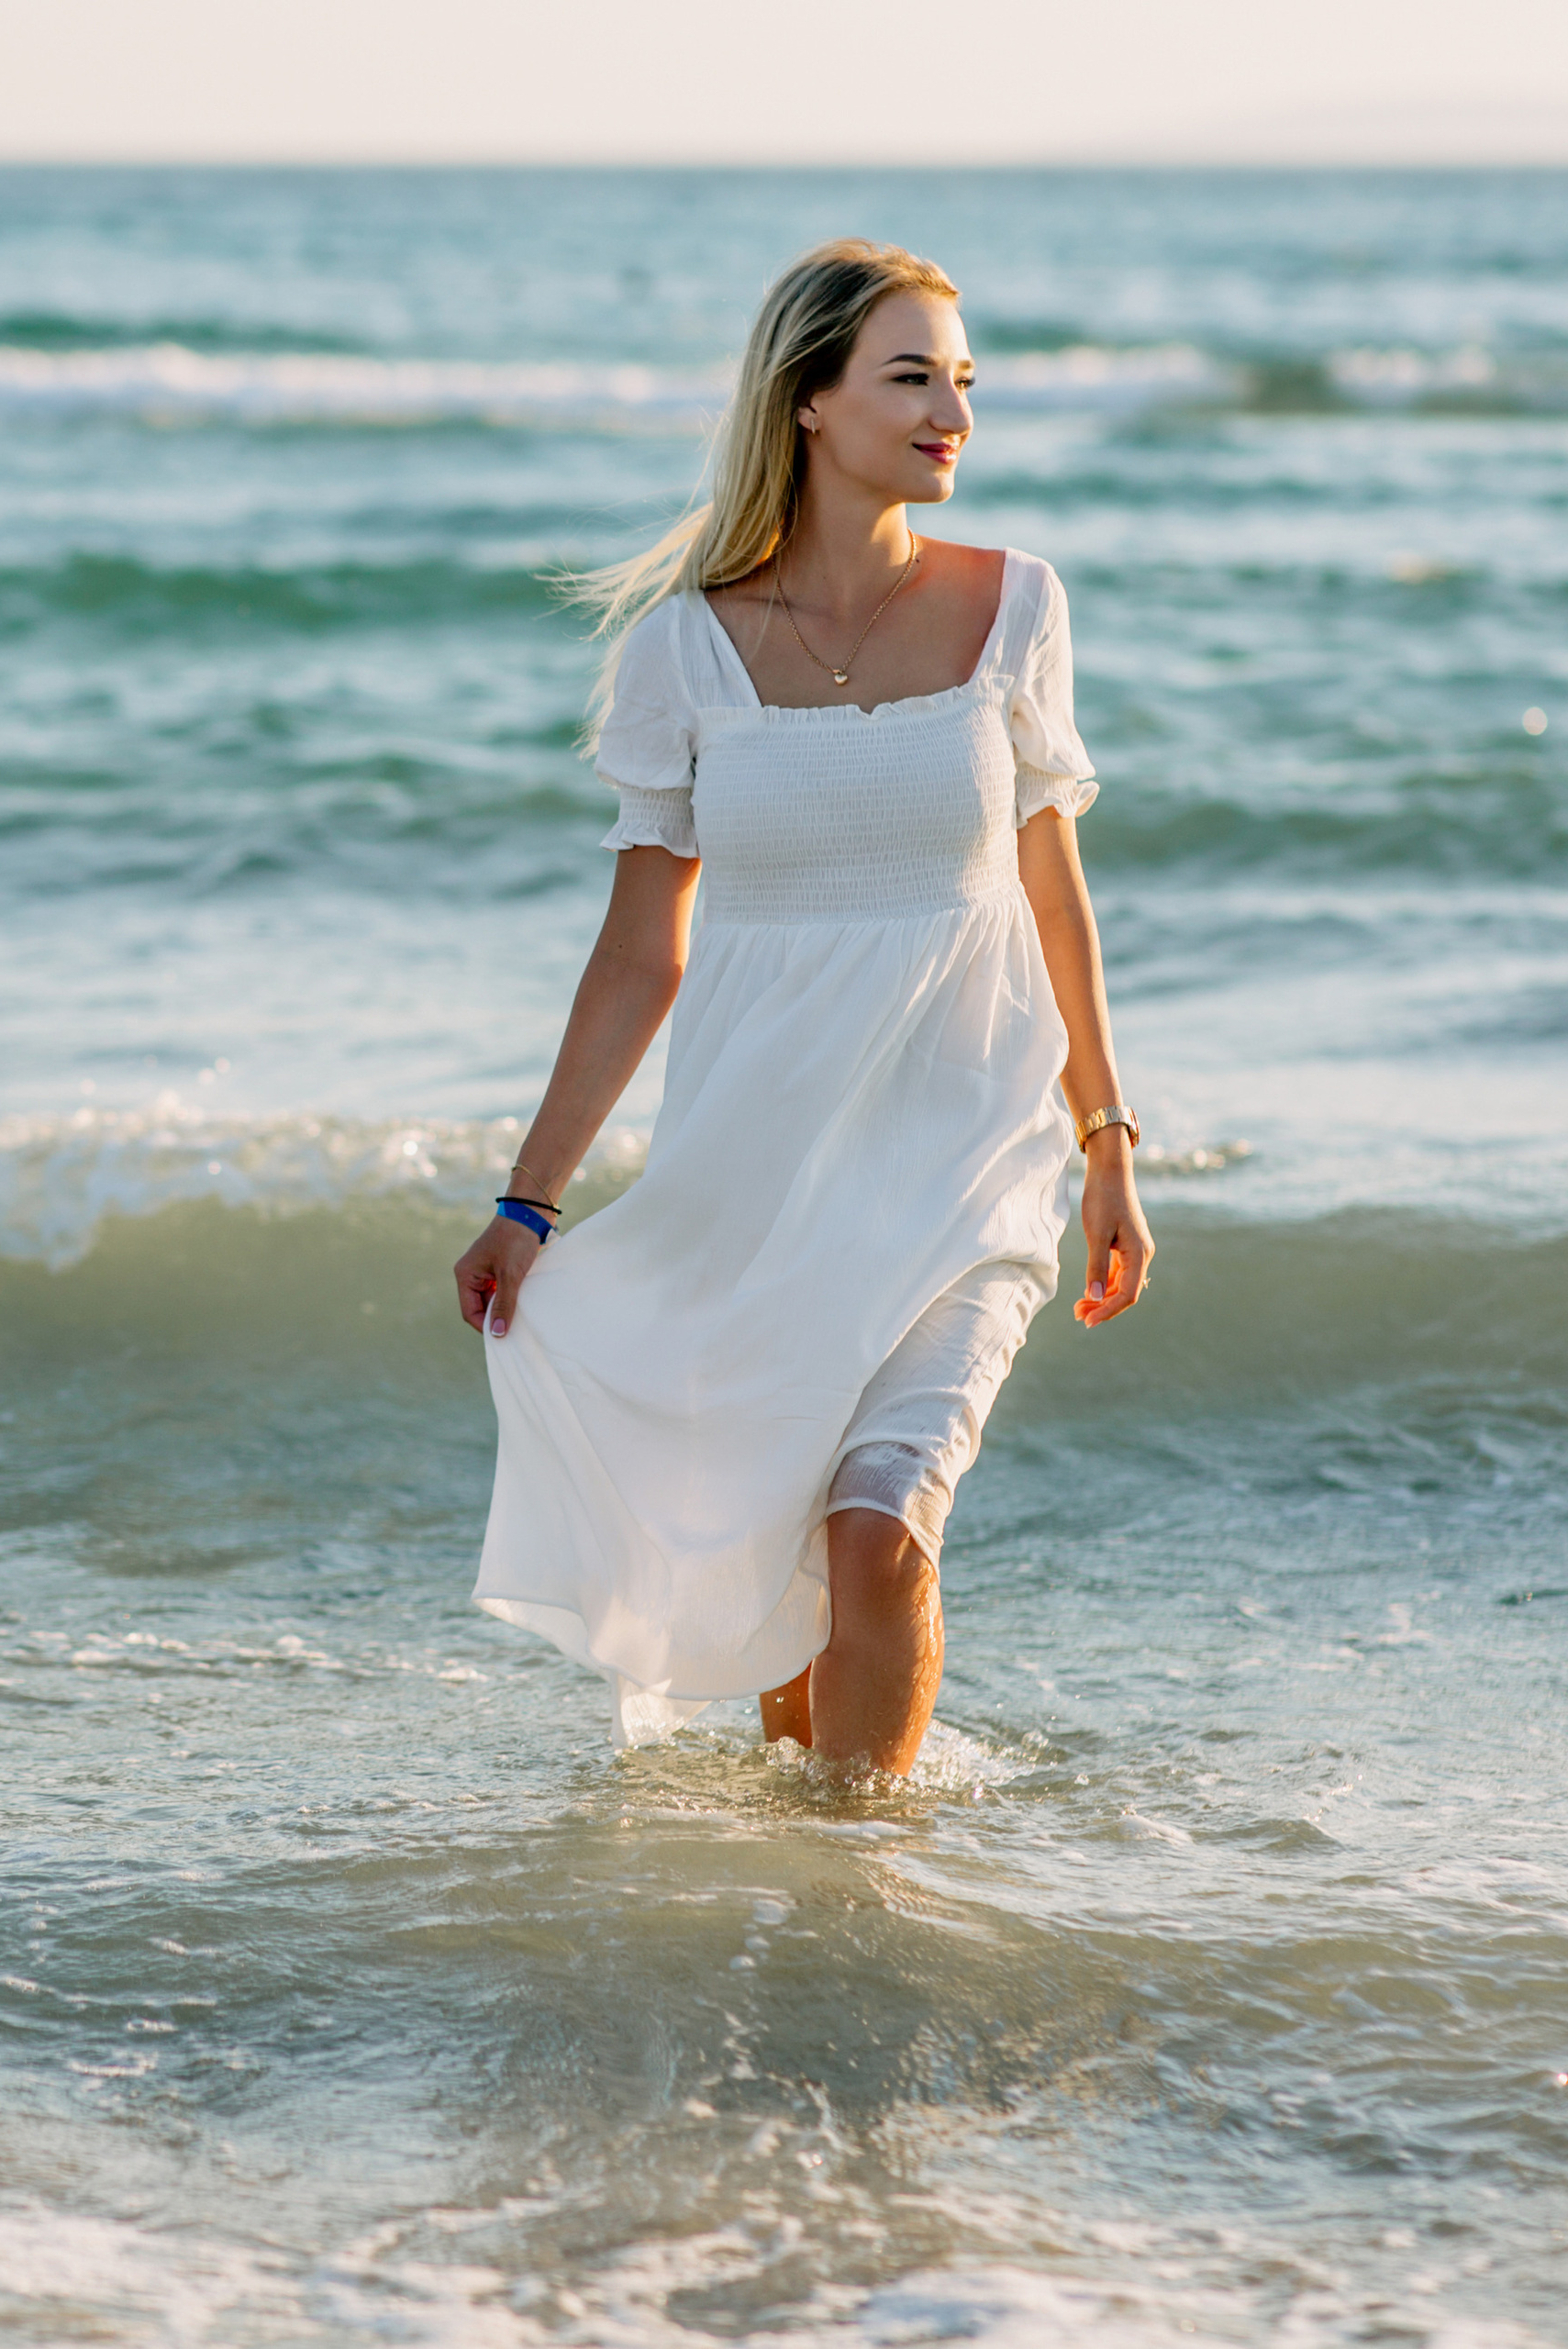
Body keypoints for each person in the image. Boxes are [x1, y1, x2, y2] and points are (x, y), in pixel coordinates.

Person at [454, 239, 1152, 1770]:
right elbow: (641, 952)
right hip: (760, 1177)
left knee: (877, 1532)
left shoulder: (1017, 608)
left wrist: (1105, 1135)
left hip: (965, 1153)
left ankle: (867, 1899)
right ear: (810, 402)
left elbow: (1056, 893)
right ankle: (814, 1887)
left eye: (963, 381)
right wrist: (531, 1198)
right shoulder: (684, 651)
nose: (951, 413)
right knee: (790, 1575)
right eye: (911, 377)